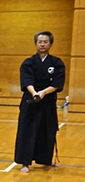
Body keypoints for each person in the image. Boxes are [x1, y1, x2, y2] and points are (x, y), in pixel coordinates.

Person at [13, 31, 65, 174]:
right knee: (27, 131)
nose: (42, 44)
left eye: (45, 42)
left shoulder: (57, 63)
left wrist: (43, 92)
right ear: (35, 44)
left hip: (48, 101)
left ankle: (45, 159)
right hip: (31, 100)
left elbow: (57, 83)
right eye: (40, 42)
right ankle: (25, 162)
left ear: (51, 44)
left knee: (47, 130)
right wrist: (35, 92)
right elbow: (26, 81)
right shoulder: (28, 62)